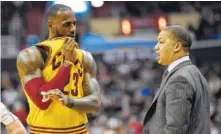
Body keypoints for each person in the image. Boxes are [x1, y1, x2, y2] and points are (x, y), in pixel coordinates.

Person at [16, 4, 101, 134]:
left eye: (74, 24)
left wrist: (69, 101)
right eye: (67, 25)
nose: (73, 29)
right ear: (50, 25)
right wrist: (67, 64)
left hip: (79, 130)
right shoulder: (33, 54)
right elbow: (41, 101)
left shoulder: (86, 57)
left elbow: (95, 104)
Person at [142, 25, 210, 134]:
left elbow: (175, 129)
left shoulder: (179, 79)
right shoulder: (194, 73)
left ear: (177, 47)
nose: (156, 47)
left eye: (161, 42)